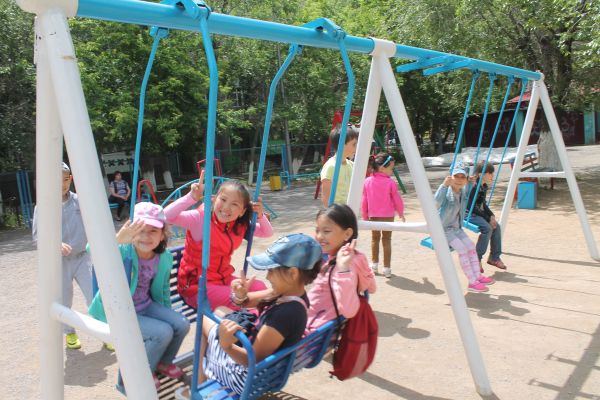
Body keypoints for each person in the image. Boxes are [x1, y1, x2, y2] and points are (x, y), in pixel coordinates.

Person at [198, 234, 322, 395]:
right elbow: (246, 301)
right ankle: (203, 375)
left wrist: (226, 345)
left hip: (246, 379)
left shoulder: (286, 314)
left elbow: (252, 360)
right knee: (221, 310)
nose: (268, 276)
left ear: (293, 273)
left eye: (271, 270)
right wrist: (240, 294)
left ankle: (199, 383)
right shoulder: (289, 294)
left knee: (205, 319)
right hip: (264, 373)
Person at [88, 202, 190, 390]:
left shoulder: (163, 257)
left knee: (181, 324)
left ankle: (163, 362)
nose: (145, 236)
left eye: (153, 231)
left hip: (145, 305)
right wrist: (117, 240)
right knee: (162, 333)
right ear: (131, 230)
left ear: (162, 234)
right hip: (119, 310)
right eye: (140, 230)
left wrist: (167, 315)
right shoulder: (123, 250)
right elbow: (91, 250)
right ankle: (142, 373)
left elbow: (163, 290)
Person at [164, 171, 272, 310]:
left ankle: (259, 321)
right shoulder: (200, 219)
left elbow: (267, 232)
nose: (226, 207)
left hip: (223, 280)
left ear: (242, 212)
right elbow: (164, 216)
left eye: (234, 204)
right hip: (196, 288)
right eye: (223, 200)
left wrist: (260, 215)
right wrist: (191, 197)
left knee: (260, 288)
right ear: (214, 199)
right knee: (246, 300)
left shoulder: (238, 225)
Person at [32, 162, 93, 350]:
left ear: (70, 179)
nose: (62, 184)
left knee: (94, 295)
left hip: (82, 258)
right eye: (56, 180)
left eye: (65, 180)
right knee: (64, 300)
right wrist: (55, 244)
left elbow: (93, 225)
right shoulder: (43, 206)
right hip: (59, 263)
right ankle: (69, 332)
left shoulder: (80, 201)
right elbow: (37, 237)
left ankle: (105, 330)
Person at [305, 204, 376, 333]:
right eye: (317, 230)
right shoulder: (358, 257)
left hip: (312, 333)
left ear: (347, 233)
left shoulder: (343, 266)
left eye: (326, 231)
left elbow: (349, 311)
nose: (319, 236)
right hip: (316, 326)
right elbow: (372, 288)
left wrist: (343, 270)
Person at [434, 162, 495, 293]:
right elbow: (435, 204)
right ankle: (472, 282)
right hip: (444, 230)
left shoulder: (462, 192)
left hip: (456, 228)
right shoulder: (446, 193)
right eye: (456, 176)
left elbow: (469, 188)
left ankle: (477, 276)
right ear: (450, 177)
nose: (459, 179)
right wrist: (444, 186)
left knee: (471, 247)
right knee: (462, 249)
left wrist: (471, 182)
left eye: (463, 177)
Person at [361, 152, 405, 278]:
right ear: (381, 168)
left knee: (375, 239)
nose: (392, 171)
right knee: (387, 240)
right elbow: (396, 199)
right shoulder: (390, 182)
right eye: (391, 168)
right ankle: (387, 268)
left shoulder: (367, 181)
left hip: (373, 216)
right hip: (388, 216)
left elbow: (364, 200)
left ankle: (374, 265)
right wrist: (400, 212)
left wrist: (365, 216)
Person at [467, 161, 507, 271]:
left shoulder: (483, 186)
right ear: (481, 174)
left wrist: (491, 216)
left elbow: (483, 204)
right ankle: (476, 259)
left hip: (476, 212)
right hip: (467, 213)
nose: (492, 175)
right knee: (487, 228)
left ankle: (494, 257)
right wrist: (487, 218)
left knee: (496, 226)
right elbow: (471, 206)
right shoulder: (473, 186)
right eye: (490, 173)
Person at [320, 125, 359, 207]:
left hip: (350, 210)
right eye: (354, 144)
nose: (356, 147)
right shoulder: (330, 167)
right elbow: (326, 199)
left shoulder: (351, 165)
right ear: (342, 144)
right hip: (338, 212)